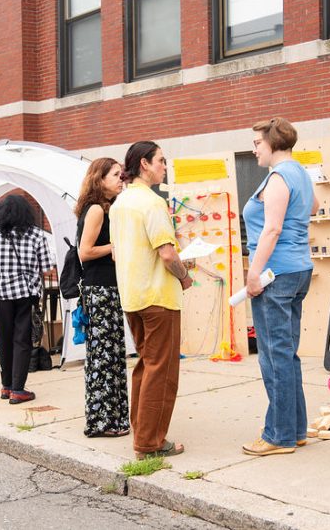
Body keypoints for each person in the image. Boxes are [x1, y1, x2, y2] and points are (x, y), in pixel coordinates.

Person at [110, 141, 192, 460]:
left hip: (133, 295)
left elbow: (120, 251)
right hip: (159, 296)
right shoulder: (152, 203)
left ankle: (141, 429)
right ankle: (150, 442)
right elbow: (168, 254)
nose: (164, 166)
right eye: (161, 160)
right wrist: (185, 275)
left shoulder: (119, 204)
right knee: (163, 370)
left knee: (145, 365)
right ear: (144, 164)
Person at [241, 118, 318, 456]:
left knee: (274, 357)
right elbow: (312, 207)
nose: (254, 148)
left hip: (276, 274)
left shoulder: (277, 178)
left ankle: (278, 435)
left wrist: (253, 274)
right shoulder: (299, 172)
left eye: (257, 143)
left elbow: (271, 231)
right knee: (287, 354)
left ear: (272, 143)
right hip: (298, 268)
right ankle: (296, 429)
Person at [75, 157, 130, 438]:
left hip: (108, 288)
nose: (121, 180)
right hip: (100, 289)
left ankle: (114, 419)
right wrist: (115, 245)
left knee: (111, 355)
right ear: (100, 179)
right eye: (116, 175)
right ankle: (102, 422)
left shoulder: (105, 208)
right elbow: (84, 252)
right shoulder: (96, 209)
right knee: (104, 356)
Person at [0, 195, 54, 405]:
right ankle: (18, 389)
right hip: (26, 293)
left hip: (1, 293)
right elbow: (48, 269)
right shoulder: (36, 235)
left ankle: (5, 386)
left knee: (4, 338)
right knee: (22, 339)